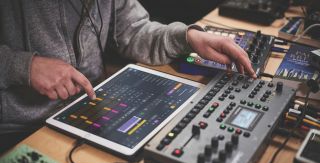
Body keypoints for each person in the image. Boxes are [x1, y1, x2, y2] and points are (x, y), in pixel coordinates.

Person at [0, 0, 256, 152]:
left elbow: (134, 32)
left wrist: (187, 38)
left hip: (91, 109)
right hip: (21, 128)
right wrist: (24, 67)